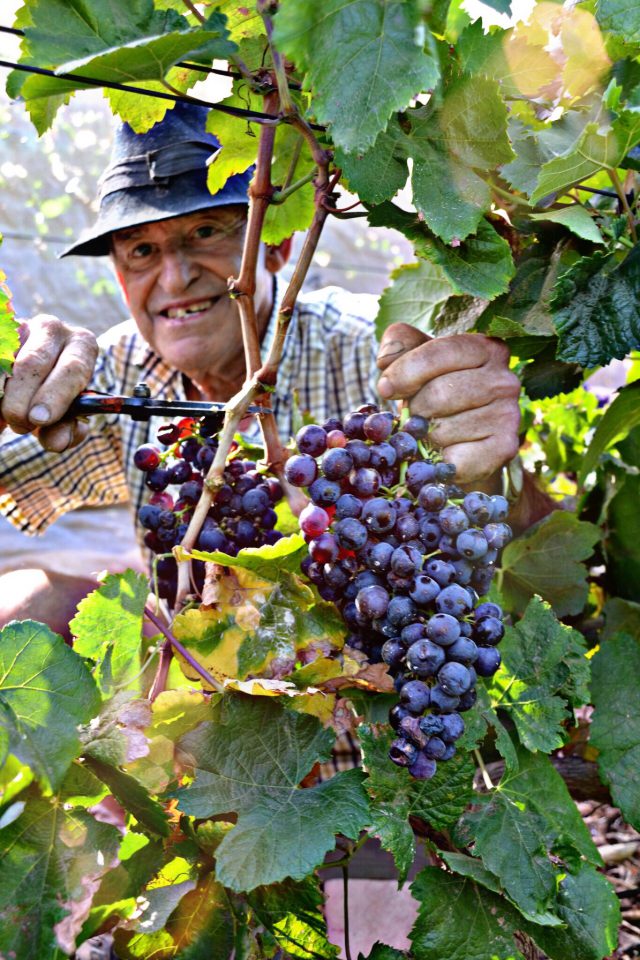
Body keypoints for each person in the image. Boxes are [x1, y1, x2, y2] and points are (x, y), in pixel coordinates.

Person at [0, 100, 536, 956]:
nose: (172, 278)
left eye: (207, 232)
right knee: (24, 594)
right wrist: (10, 385)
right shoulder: (122, 382)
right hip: (209, 721)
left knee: (370, 934)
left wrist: (475, 434)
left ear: (274, 240)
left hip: (365, 728)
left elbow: (500, 505)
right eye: (142, 250)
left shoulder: (365, 362)